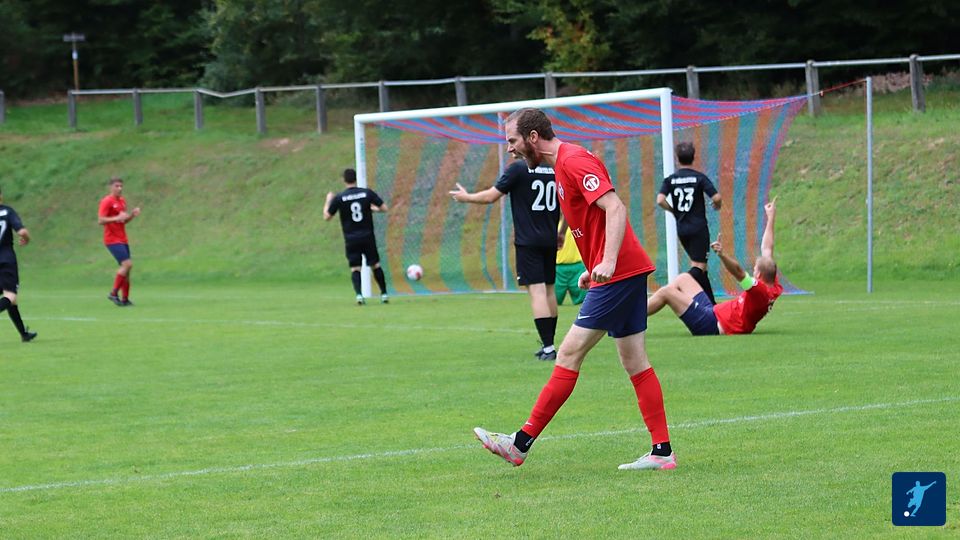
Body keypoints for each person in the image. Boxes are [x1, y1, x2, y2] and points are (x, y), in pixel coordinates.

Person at [472, 108, 676, 471]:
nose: (510, 149)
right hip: (624, 271)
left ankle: (519, 444)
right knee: (635, 361)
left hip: (620, 273)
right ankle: (662, 451)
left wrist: (608, 261)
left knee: (567, 353)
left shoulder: (574, 160)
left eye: (512, 141)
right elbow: (596, 221)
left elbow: (615, 208)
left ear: (533, 137)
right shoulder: (561, 166)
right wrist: (593, 265)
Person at [450, 160, 561, 360]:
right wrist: (561, 231)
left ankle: (548, 348)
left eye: (514, 144)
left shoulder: (518, 168)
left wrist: (466, 197)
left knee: (537, 291)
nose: (511, 148)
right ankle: (549, 344)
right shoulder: (554, 168)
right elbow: (570, 202)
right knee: (549, 290)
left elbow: (491, 196)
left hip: (528, 241)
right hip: (549, 238)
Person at [647, 198, 782, 336]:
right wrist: (771, 216)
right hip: (713, 312)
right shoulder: (773, 284)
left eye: (754, 269)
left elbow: (739, 272)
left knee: (666, 292)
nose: (753, 271)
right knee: (683, 278)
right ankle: (657, 304)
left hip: (711, 325)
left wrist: (722, 255)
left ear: (759, 275)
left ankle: (635, 315)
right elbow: (767, 248)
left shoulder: (759, 290)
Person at [658, 142, 722, 304]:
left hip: (682, 228)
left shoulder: (670, 180)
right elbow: (716, 197)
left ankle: (712, 306)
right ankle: (673, 288)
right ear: (694, 157)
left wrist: (674, 211)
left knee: (701, 268)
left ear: (677, 159)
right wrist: (717, 205)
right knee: (699, 267)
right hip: (698, 227)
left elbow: (660, 200)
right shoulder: (699, 177)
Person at [324, 168, 390, 305]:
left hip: (351, 238)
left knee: (355, 268)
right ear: (356, 178)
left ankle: (359, 296)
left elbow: (327, 217)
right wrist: (372, 209)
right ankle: (384, 294)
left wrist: (328, 201)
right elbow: (384, 208)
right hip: (367, 236)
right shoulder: (367, 193)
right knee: (375, 265)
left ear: (344, 180)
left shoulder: (339, 197)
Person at [0, 186, 37, 342]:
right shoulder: (7, 211)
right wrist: (26, 239)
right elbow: (22, 232)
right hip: (5, 260)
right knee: (10, 295)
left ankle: (23, 334)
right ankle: (24, 334)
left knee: (11, 300)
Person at [98, 177, 140, 306]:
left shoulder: (122, 201)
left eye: (121, 186)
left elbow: (122, 221)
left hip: (122, 238)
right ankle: (113, 293)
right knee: (127, 264)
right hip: (112, 239)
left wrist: (131, 215)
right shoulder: (107, 201)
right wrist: (116, 217)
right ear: (110, 187)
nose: (119, 188)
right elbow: (101, 220)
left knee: (127, 270)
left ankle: (125, 299)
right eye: (117, 186)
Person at [554, 221, 586, 306]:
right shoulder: (554, 224)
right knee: (553, 300)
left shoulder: (576, 223)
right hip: (558, 268)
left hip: (577, 267)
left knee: (584, 299)